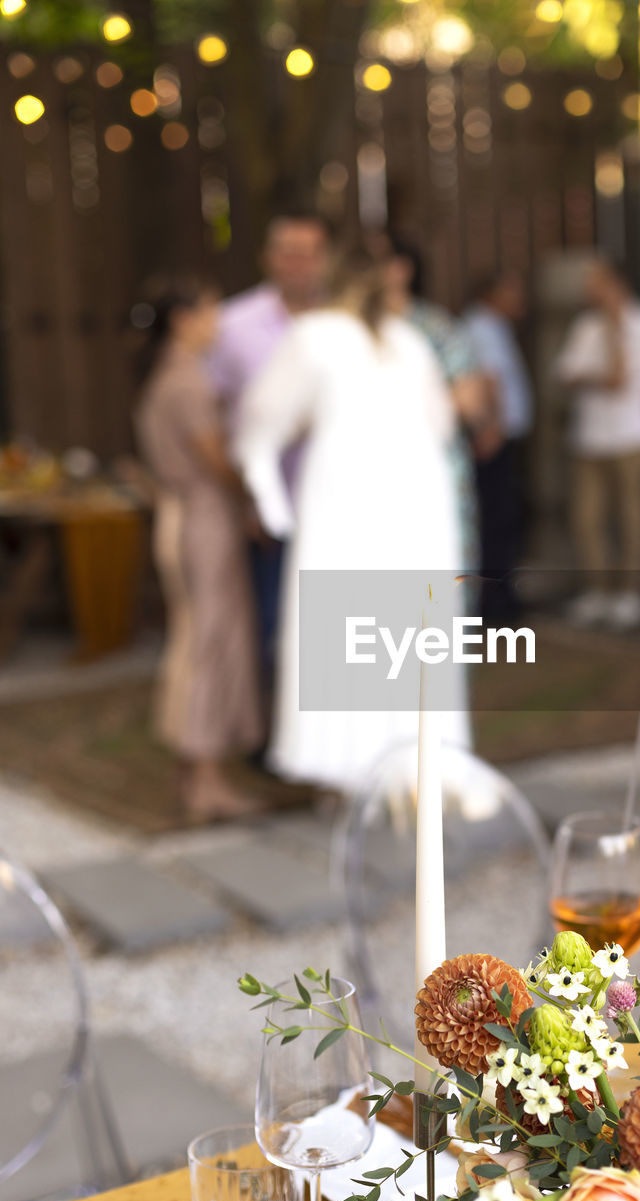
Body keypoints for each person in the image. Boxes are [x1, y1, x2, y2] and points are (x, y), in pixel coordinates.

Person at [236, 250, 471, 793]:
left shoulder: (316, 335)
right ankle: (407, 764)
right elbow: (440, 424)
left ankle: (350, 769)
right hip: (411, 496)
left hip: (352, 495)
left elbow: (260, 421)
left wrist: (272, 500)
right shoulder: (409, 342)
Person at [135, 282, 263, 821]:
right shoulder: (186, 383)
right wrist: (252, 500)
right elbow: (215, 459)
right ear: (184, 319)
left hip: (184, 516)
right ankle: (206, 777)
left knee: (194, 640)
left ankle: (193, 774)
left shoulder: (169, 378)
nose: (218, 323)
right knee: (210, 645)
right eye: (211, 312)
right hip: (203, 519)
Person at [208, 213, 332, 680]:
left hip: (337, 501)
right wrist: (245, 495)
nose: (299, 264)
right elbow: (214, 415)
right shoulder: (233, 324)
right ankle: (273, 733)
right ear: (268, 258)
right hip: (271, 502)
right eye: (288, 251)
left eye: (310, 252)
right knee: (274, 619)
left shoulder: (345, 322)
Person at [555, 257, 640, 631]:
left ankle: (631, 592)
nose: (589, 291)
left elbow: (619, 379)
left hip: (632, 435)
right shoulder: (585, 326)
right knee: (587, 517)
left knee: (632, 517)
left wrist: (612, 339)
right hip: (590, 437)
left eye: (597, 283)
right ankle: (597, 589)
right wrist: (595, 374)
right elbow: (566, 373)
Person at [375, 233, 493, 584]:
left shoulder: (434, 327)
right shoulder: (346, 328)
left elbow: (471, 400)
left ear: (402, 270)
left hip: (430, 468)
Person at [464, 271, 533, 621]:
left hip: (502, 436)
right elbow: (489, 379)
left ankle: (500, 595)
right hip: (494, 438)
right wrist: (490, 428)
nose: (519, 299)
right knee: (496, 518)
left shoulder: (496, 327)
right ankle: (494, 601)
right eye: (512, 291)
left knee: (502, 517)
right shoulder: (482, 328)